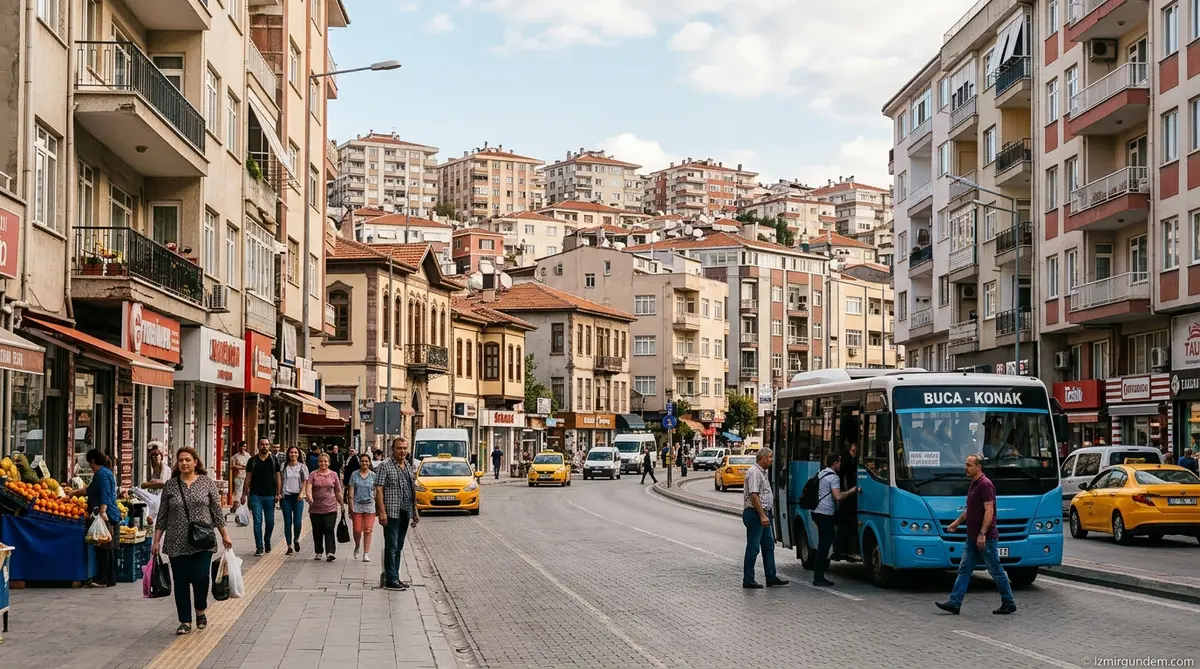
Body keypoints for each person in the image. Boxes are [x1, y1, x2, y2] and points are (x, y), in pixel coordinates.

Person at [152, 447, 233, 635]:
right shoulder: (171, 485)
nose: (184, 463)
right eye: (181, 460)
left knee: (200, 578)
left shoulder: (206, 483)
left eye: (188, 460)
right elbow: (162, 515)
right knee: (180, 581)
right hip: (176, 541)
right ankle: (185, 621)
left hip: (203, 541)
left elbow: (217, 512)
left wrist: (224, 535)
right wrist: (156, 540)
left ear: (196, 462)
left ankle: (201, 610)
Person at [937, 454, 1017, 615]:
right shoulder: (974, 484)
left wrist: (983, 534)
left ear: (978, 467)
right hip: (972, 537)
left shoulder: (985, 485)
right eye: (966, 465)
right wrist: (957, 522)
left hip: (985, 538)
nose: (965, 468)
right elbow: (971, 510)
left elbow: (989, 510)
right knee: (964, 569)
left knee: (995, 570)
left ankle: (1008, 602)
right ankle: (954, 602)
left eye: (969, 465)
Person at [67, 449, 120, 588]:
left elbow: (105, 494)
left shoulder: (101, 474)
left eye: (90, 463)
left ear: (93, 461)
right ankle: (110, 578)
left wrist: (102, 512)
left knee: (104, 548)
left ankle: (102, 579)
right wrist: (73, 493)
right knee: (109, 547)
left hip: (106, 514)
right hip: (111, 512)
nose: (90, 466)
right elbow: (90, 490)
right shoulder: (106, 472)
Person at [375, 437, 419, 590]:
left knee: (399, 546)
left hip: (405, 511)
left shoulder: (407, 466)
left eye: (405, 448)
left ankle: (396, 576)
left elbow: (411, 491)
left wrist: (415, 512)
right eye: (399, 448)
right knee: (391, 546)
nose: (402, 451)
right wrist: (382, 512)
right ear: (393, 449)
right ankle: (390, 579)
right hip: (391, 512)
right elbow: (379, 489)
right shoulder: (384, 466)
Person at [742, 448, 788, 589]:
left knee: (768, 546)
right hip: (756, 514)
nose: (771, 460)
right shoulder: (754, 472)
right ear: (762, 458)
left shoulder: (762, 472)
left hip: (764, 513)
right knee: (754, 547)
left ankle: (771, 576)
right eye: (770, 457)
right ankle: (748, 579)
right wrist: (762, 515)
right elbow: (754, 495)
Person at [812, 453, 860, 587]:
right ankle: (818, 577)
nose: (840, 464)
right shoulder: (833, 477)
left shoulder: (821, 473)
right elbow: (838, 497)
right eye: (839, 462)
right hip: (825, 513)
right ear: (835, 463)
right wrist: (852, 491)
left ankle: (839, 548)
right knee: (824, 545)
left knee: (843, 522)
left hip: (817, 512)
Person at [241, 438, 282, 556]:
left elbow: (278, 476)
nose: (264, 446)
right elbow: (248, 477)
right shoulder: (252, 461)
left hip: (270, 496)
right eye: (262, 444)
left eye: (266, 444)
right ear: (258, 446)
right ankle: (259, 546)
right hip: (255, 496)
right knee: (257, 522)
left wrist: (278, 492)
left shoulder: (274, 460)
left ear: (269, 446)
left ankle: (267, 541)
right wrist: (244, 494)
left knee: (270, 522)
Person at [303, 452, 343, 562]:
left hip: (331, 507)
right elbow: (309, 487)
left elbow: (338, 491)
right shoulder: (313, 474)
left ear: (329, 463)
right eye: (321, 461)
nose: (323, 463)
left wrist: (342, 504)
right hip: (315, 508)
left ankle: (330, 552)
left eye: (325, 461)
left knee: (329, 529)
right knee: (317, 530)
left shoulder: (334, 474)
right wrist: (309, 497)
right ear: (318, 462)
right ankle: (318, 551)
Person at [346, 454, 377, 562]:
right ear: (360, 463)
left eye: (366, 461)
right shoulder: (354, 475)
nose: (364, 463)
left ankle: (366, 553)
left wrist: (378, 506)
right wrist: (351, 507)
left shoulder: (373, 475)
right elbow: (350, 493)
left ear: (369, 463)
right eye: (362, 461)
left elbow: (376, 492)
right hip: (357, 505)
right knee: (357, 530)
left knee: (368, 530)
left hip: (369, 505)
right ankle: (357, 546)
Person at [832, 441, 859, 562]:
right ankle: (840, 550)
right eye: (853, 452)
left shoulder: (849, 464)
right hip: (845, 499)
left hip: (848, 499)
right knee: (843, 525)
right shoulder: (846, 466)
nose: (855, 455)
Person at [280, 446, 309, 555]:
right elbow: (281, 480)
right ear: (288, 454)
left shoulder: (302, 467)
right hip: (286, 497)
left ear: (299, 454)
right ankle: (289, 546)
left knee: (297, 522)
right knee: (287, 522)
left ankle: (296, 539)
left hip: (298, 498)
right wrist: (279, 493)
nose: (293, 454)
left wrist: (302, 492)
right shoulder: (284, 466)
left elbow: (305, 481)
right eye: (291, 452)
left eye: (295, 452)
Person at [229, 441, 250, 514]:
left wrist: (242, 466)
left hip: (246, 477)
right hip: (238, 477)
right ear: (239, 447)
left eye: (245, 446)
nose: (243, 448)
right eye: (242, 446)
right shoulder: (235, 456)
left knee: (246, 492)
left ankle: (244, 507)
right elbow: (233, 466)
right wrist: (243, 467)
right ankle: (236, 507)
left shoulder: (247, 456)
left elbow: (249, 466)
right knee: (238, 492)